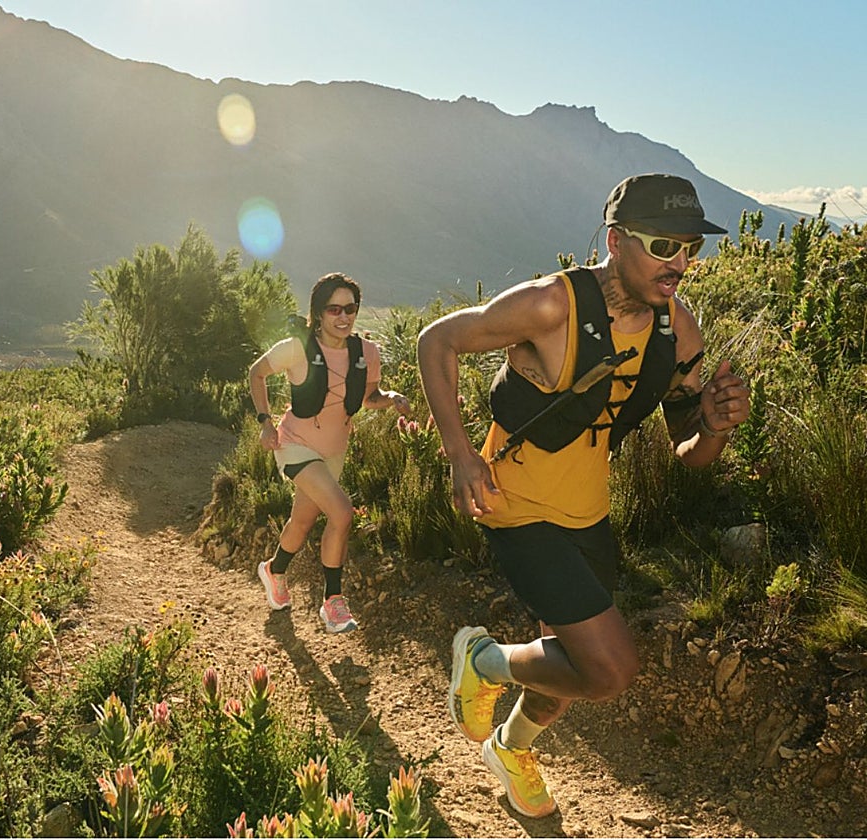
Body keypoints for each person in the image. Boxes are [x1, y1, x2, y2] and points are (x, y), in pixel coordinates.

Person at [417, 174, 750, 818]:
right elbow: (438, 340)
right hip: (515, 506)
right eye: (663, 246)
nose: (679, 264)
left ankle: (510, 749)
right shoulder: (553, 305)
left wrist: (712, 426)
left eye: (690, 248)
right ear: (616, 241)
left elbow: (689, 452)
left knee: (563, 668)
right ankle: (483, 660)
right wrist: (460, 453)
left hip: (588, 514)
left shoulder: (677, 332)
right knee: (609, 669)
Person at [249, 272, 411, 633]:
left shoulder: (366, 352)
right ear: (318, 313)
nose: (343, 316)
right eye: (334, 309)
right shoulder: (297, 347)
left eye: (350, 309)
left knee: (302, 522)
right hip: (294, 444)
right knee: (341, 511)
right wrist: (265, 423)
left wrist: (392, 398)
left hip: (334, 451)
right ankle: (333, 602)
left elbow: (369, 398)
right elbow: (256, 374)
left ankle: (274, 570)